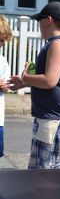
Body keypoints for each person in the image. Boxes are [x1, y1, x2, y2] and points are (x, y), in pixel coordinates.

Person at [8, 1, 60, 169]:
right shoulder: (56, 43)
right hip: (52, 118)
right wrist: (24, 81)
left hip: (55, 119)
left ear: (48, 20)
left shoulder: (58, 44)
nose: (39, 25)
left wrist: (25, 76)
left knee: (46, 175)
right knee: (41, 172)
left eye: (40, 20)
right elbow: (51, 80)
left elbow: (49, 80)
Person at [0, 15, 12, 158]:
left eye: (2, 40)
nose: (0, 44)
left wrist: (4, 86)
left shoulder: (3, 61)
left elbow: (6, 85)